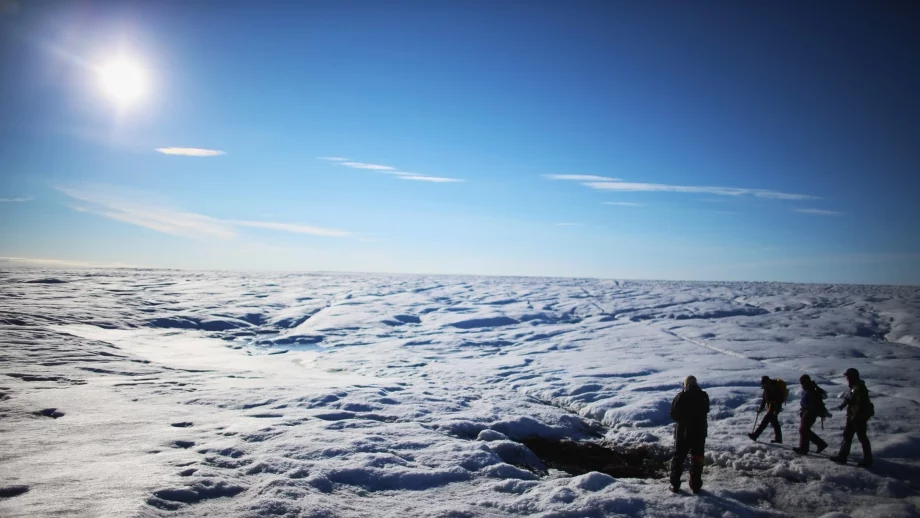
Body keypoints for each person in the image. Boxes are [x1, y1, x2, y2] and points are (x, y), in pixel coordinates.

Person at [669, 375, 710, 494]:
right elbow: (706, 409)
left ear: (686, 384)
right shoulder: (703, 396)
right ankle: (695, 486)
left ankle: (675, 484)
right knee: (697, 458)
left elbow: (672, 413)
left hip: (683, 433)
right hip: (699, 433)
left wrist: (683, 420)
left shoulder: (681, 396)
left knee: (678, 459)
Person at [830, 368, 874, 466]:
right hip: (853, 416)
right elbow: (852, 400)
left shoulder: (859, 388)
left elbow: (860, 404)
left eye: (848, 377)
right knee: (847, 435)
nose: (847, 379)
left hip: (858, 417)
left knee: (862, 437)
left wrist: (855, 416)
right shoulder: (855, 387)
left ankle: (868, 459)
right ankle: (842, 456)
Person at [793, 374, 829, 455]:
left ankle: (818, 444)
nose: (801, 384)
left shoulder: (812, 389)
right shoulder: (808, 388)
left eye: (802, 382)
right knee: (804, 430)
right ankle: (804, 448)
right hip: (806, 411)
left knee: (803, 430)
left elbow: (817, 401)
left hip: (811, 412)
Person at [749, 376, 785, 444]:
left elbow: (779, 400)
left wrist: (777, 410)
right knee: (775, 423)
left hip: (774, 407)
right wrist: (761, 408)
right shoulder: (766, 388)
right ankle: (778, 439)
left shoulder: (774, 388)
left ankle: (755, 435)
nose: (763, 385)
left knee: (765, 421)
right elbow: (764, 400)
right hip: (771, 407)